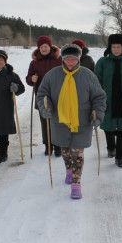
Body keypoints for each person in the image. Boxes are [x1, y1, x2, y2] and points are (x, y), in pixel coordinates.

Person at [37, 44, 106, 199]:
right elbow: (42, 94)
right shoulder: (52, 75)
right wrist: (44, 107)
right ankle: (69, 169)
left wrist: (98, 113)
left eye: (73, 59)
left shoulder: (88, 75)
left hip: (82, 122)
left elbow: (99, 97)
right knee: (66, 151)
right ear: (62, 58)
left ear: (78, 59)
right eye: (67, 58)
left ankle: (76, 183)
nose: (70, 62)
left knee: (77, 153)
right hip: (59, 121)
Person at [94, 34, 122, 168]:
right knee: (108, 127)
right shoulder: (102, 62)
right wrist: (100, 91)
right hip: (107, 99)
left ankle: (120, 157)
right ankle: (111, 147)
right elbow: (96, 79)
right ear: (110, 47)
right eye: (114, 47)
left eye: (119, 47)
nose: (116, 49)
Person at [26, 36, 63, 157]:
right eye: (41, 47)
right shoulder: (34, 62)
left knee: (57, 122)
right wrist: (32, 79)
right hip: (42, 97)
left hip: (57, 96)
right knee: (45, 122)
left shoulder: (59, 59)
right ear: (39, 48)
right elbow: (28, 78)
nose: (43, 48)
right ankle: (48, 146)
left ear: (50, 46)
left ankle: (58, 146)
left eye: (45, 46)